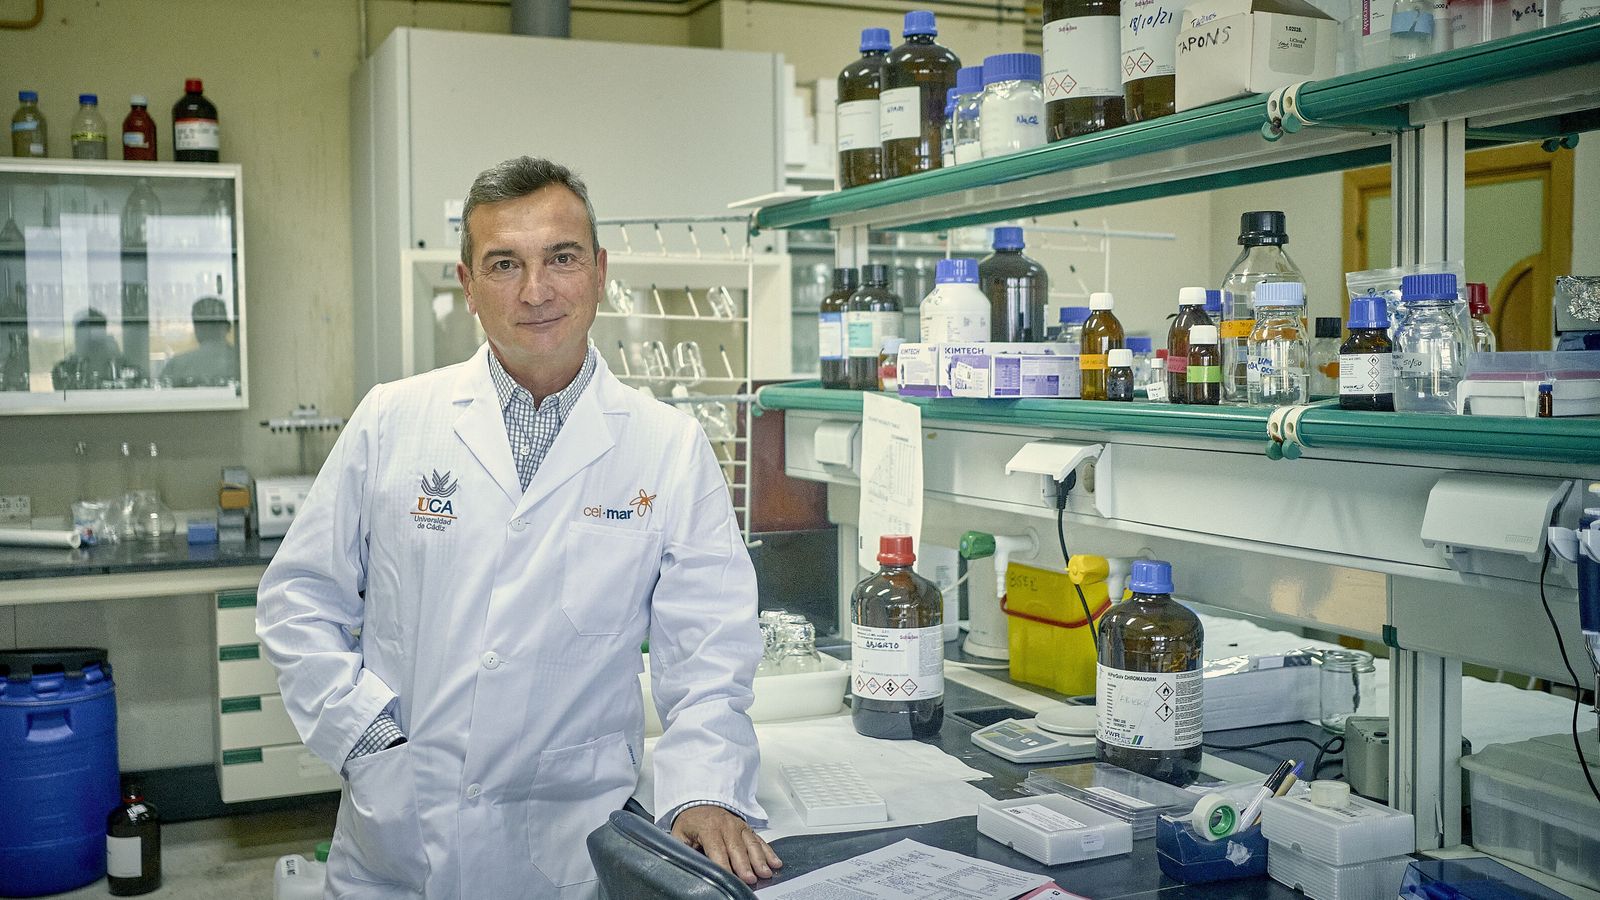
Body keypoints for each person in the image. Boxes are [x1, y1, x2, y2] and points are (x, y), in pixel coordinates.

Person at [256, 156, 778, 899]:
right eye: (505, 264)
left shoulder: (667, 445)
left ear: (599, 273)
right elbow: (299, 601)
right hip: (404, 840)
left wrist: (703, 791)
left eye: (561, 258)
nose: (536, 291)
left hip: (571, 851)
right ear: (468, 286)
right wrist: (370, 742)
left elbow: (709, 654)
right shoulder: (393, 420)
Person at [50, 308, 144, 389]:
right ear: (76, 336)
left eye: (97, 330)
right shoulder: (65, 370)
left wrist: (115, 357)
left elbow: (136, 381)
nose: (91, 339)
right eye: (85, 331)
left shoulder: (119, 367)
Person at [160, 296, 239, 387]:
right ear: (228, 327)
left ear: (197, 330)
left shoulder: (178, 365)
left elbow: (158, 396)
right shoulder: (244, 361)